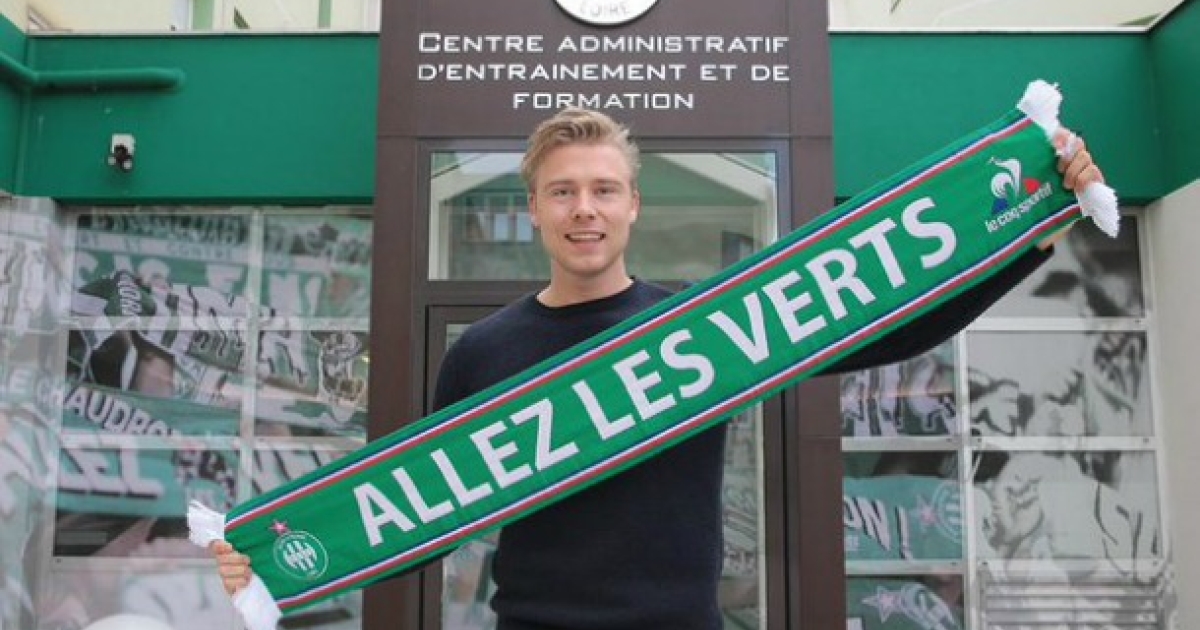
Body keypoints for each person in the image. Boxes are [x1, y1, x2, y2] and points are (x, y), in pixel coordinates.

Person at [212, 108, 1106, 629]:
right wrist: (272, 560)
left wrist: (1034, 231)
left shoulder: (702, 328)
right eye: (563, 192)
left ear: (633, 205)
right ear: (535, 210)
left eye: (603, 190)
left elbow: (888, 333)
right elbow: (421, 510)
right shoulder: (484, 352)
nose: (585, 209)